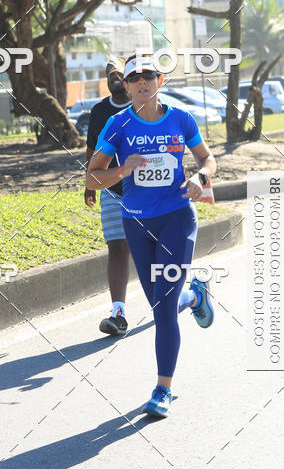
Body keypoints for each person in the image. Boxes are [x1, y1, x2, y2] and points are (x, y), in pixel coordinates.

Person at [86, 54, 217, 419]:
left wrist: (200, 178)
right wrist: (121, 170)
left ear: (160, 81)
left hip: (177, 218)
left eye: (149, 75)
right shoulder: (117, 125)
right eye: (134, 77)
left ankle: (163, 389)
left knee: (163, 310)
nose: (142, 81)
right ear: (126, 86)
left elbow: (208, 159)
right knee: (163, 305)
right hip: (137, 224)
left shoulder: (181, 118)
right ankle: (195, 296)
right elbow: (92, 177)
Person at [85, 58, 132, 336]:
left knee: (154, 250)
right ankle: (118, 313)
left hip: (149, 193)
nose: (114, 77)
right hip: (113, 191)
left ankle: (173, 298)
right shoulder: (100, 111)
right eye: (109, 74)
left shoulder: (144, 105)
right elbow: (92, 148)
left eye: (119, 72)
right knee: (117, 248)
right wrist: (89, 184)